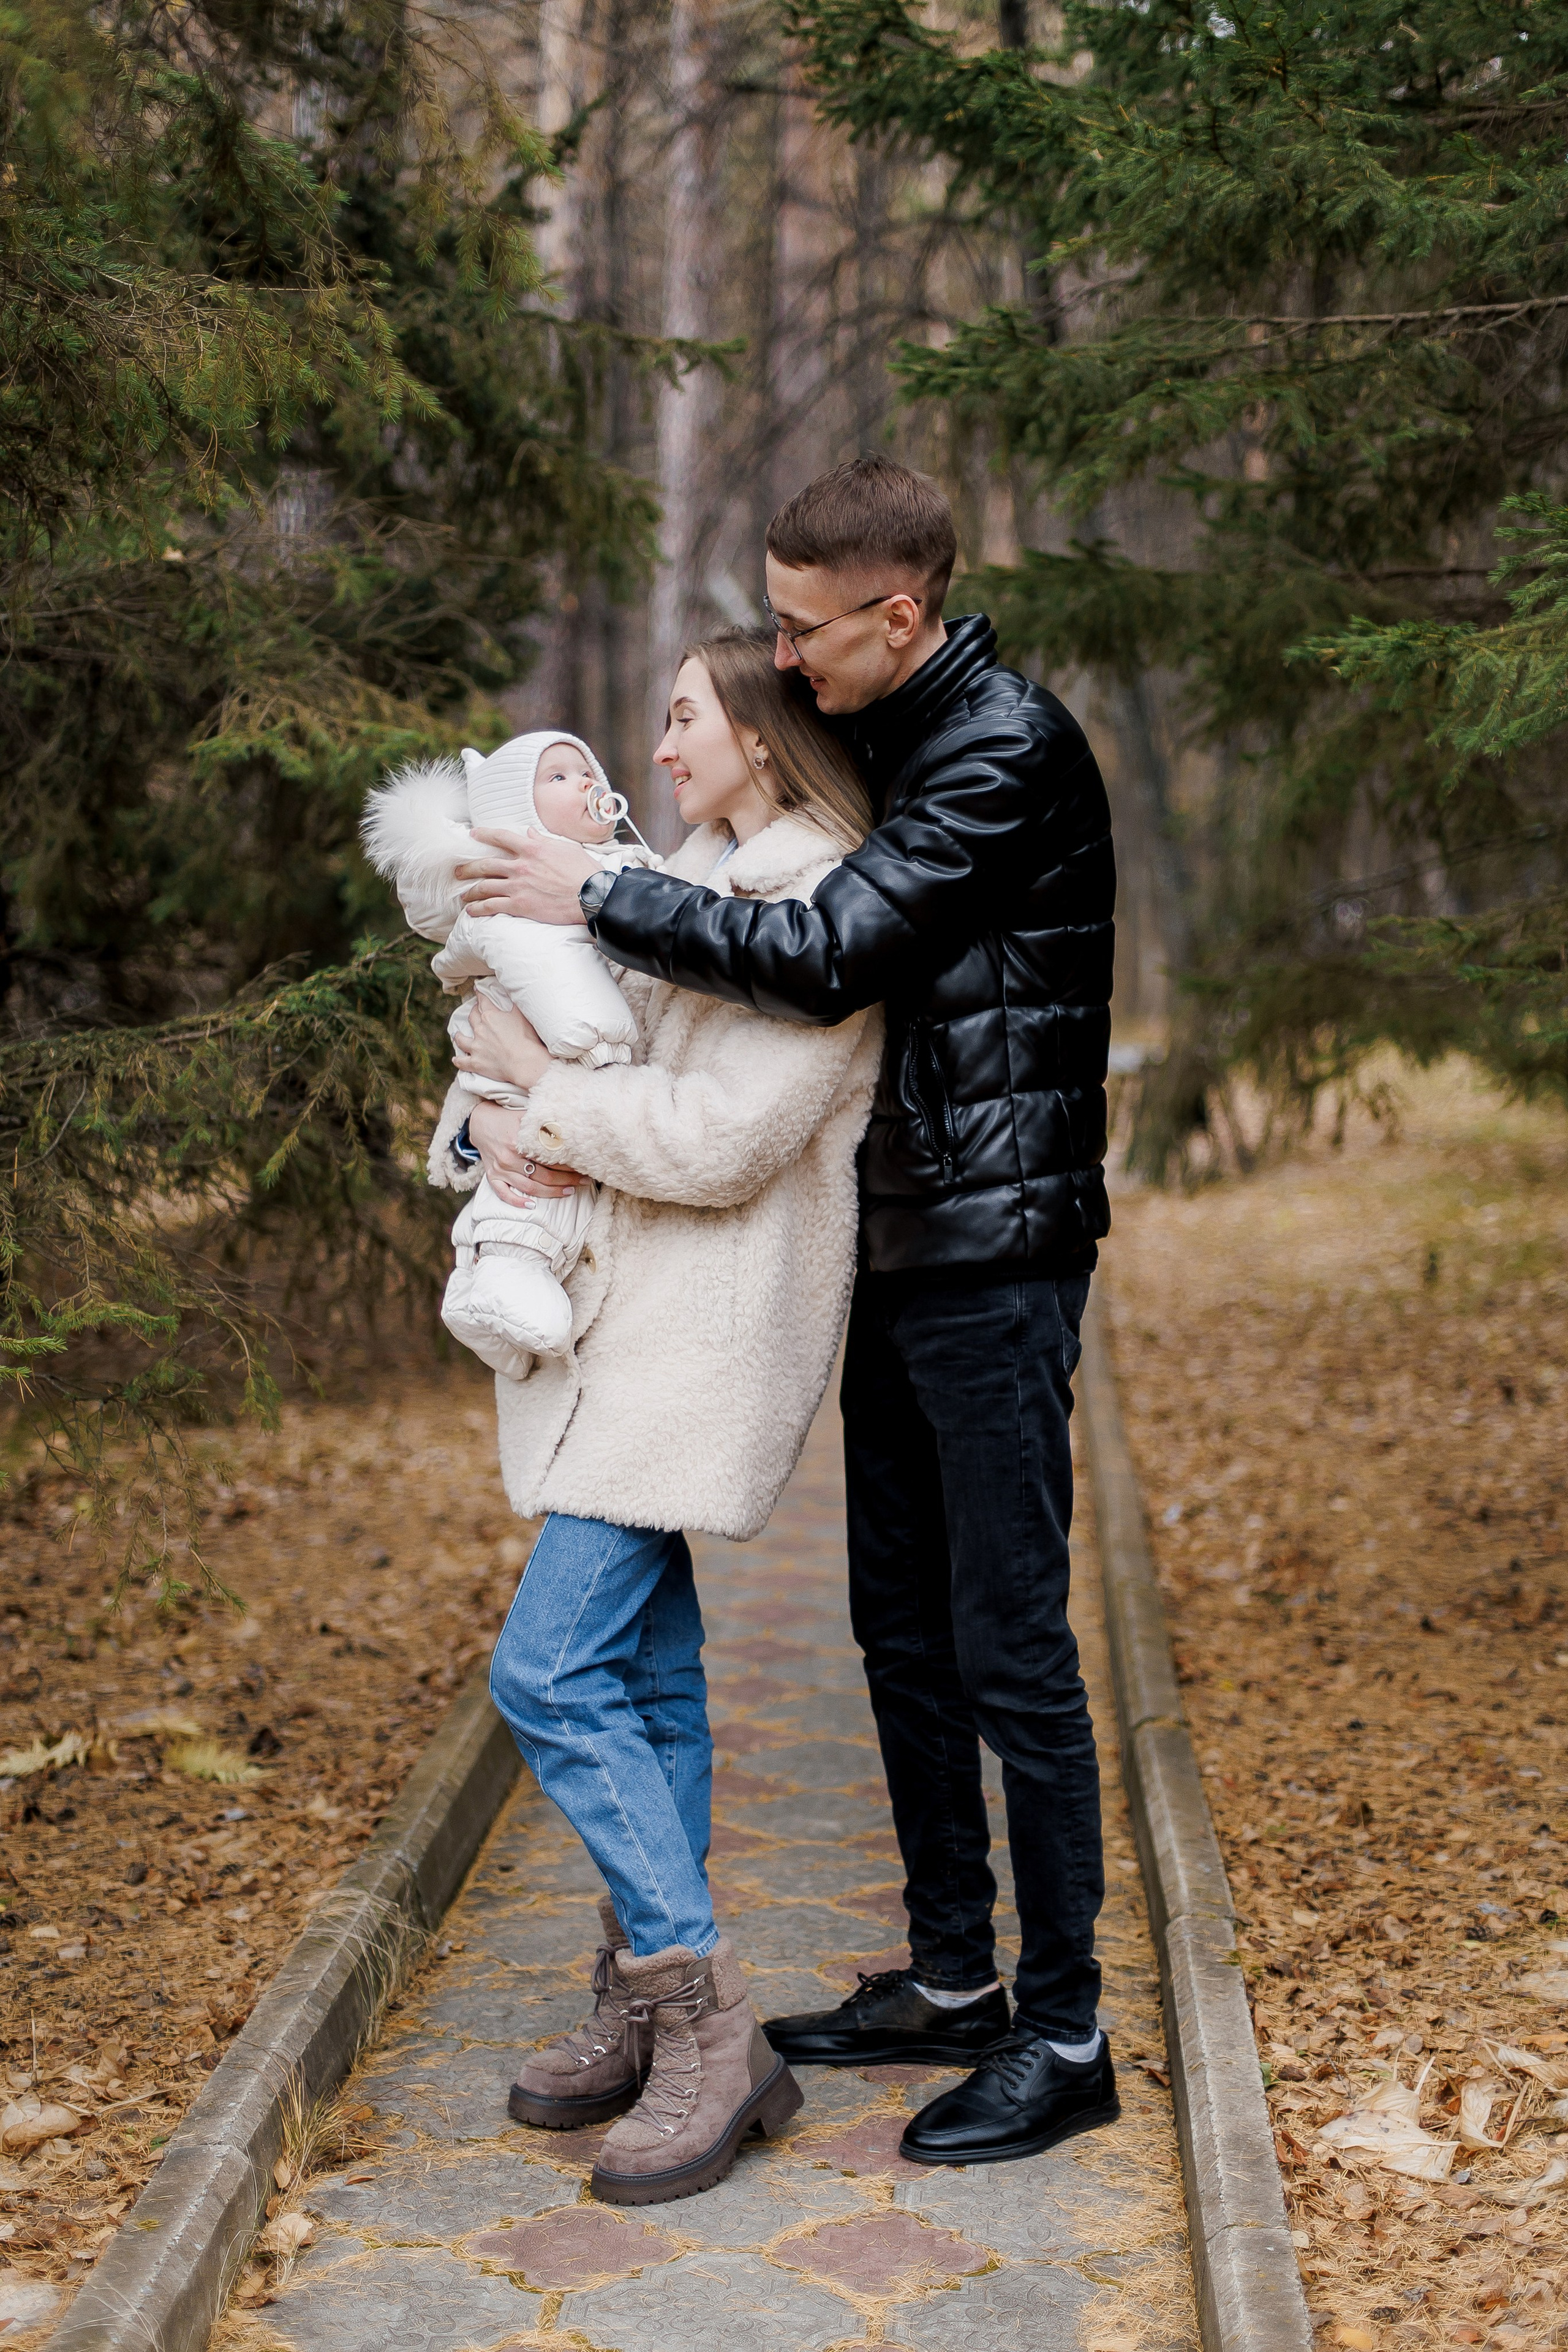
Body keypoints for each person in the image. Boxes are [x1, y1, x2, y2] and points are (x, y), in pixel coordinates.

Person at [456, 452, 1120, 2168]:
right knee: (899, 1629)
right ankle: (956, 1981)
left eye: (808, 630)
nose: (785, 658)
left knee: (1012, 1644)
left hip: (996, 1247)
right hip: (897, 1251)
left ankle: (1064, 2030)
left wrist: (593, 893)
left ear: (902, 614)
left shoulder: (1002, 748)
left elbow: (830, 954)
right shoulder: (888, 733)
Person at [454, 630, 883, 2205]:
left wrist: (542, 1106)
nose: (658, 739)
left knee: (545, 1668)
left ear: (763, 738)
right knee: (641, 1674)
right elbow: (568, 1052)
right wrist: (496, 1115)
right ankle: (642, 2006)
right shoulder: (686, 881)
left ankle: (703, 2022)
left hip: (698, 1338)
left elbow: (715, 1136)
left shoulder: (810, 904)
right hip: (627, 1330)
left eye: (682, 711)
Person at [362, 731, 655, 1375]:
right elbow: (479, 1046)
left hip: (604, 1134)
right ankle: (499, 1277)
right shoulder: (502, 903)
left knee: (552, 1180)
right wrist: (473, 1126)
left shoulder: (643, 876)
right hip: (545, 1096)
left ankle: (491, 1291)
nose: (585, 784)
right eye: (558, 777)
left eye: (588, 771)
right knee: (533, 1188)